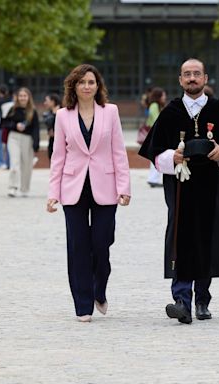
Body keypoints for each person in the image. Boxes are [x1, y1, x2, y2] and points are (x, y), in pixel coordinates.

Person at [139, 58, 219, 324]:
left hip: (212, 187)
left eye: (196, 74)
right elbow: (153, 150)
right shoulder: (171, 112)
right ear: (180, 80)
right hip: (180, 187)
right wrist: (169, 157)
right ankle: (181, 300)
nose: (192, 78)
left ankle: (202, 300)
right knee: (181, 238)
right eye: (187, 74)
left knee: (207, 238)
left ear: (205, 78)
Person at [47, 64, 131, 322]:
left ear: (98, 86)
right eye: (82, 82)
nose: (86, 86)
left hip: (105, 185)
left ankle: (99, 289)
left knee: (101, 243)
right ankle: (83, 304)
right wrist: (53, 193)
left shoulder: (111, 112)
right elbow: (58, 156)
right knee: (78, 247)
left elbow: (119, 151)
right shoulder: (63, 116)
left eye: (91, 82)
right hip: (73, 188)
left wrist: (124, 187)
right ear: (74, 86)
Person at [3, 87, 39, 197]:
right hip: (13, 137)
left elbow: (36, 128)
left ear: (28, 97)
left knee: (27, 165)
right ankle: (12, 187)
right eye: (20, 96)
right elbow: (5, 123)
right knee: (14, 163)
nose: (22, 98)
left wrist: (36, 143)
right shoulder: (12, 109)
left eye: (25, 96)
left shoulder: (33, 111)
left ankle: (24, 188)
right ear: (17, 97)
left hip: (27, 139)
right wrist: (15, 125)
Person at [146, 87, 167, 187]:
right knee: (156, 156)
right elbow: (156, 120)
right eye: (163, 95)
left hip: (157, 134)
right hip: (155, 134)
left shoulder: (157, 106)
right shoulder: (154, 106)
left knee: (156, 156)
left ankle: (153, 179)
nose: (164, 97)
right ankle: (153, 179)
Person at [0, 84, 12, 169]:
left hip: (0, 125)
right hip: (9, 126)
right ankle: (8, 162)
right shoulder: (12, 101)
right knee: (9, 144)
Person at [43, 93, 61, 161]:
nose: (45, 103)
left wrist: (56, 113)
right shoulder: (47, 114)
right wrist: (54, 114)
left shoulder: (64, 112)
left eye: (46, 101)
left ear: (53, 102)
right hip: (52, 141)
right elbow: (48, 124)